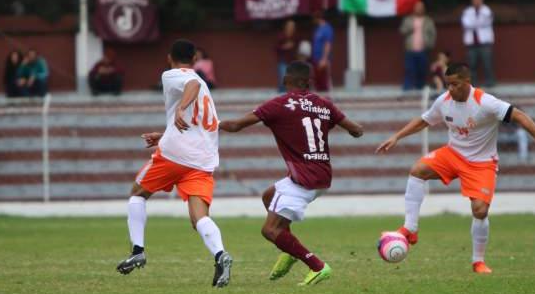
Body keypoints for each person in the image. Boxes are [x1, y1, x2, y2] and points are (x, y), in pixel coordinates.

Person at [375, 63, 535, 274]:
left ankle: (478, 261)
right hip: (453, 154)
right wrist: (397, 137)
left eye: (454, 84)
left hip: (482, 163)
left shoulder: (485, 102)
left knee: (480, 211)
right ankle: (410, 229)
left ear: (467, 82)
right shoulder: (444, 101)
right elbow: (424, 120)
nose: (450, 89)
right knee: (417, 170)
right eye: (448, 85)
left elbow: (521, 116)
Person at [219, 61, 363, 286]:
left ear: (285, 81)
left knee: (269, 230)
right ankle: (288, 250)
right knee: (268, 196)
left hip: (303, 180)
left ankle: (317, 266)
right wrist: (327, 122)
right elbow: (357, 130)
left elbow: (236, 125)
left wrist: (212, 123)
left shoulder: (279, 104)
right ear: (309, 82)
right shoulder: (324, 104)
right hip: (322, 177)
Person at [116, 40, 232, 288]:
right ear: (195, 57)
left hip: (176, 154)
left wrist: (180, 108)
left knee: (137, 193)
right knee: (199, 217)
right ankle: (221, 255)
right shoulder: (204, 84)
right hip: (203, 158)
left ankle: (137, 250)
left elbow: (188, 86)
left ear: (169, 58)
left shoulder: (173, 75)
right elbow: (197, 120)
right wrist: (164, 133)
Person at [399, 1, 437, 91]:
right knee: (409, 70)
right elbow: (402, 31)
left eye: (421, 7)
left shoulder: (428, 20)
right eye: (417, 7)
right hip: (410, 49)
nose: (419, 9)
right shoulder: (408, 20)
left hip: (423, 50)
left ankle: (419, 88)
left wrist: (430, 44)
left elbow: (433, 34)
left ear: (423, 9)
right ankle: (407, 89)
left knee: (422, 70)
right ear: (414, 9)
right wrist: (409, 29)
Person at [461, 0, 495, 87]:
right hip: (471, 43)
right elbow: (466, 24)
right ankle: (473, 84)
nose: (476, 1)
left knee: (487, 63)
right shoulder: (467, 11)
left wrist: (474, 23)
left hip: (484, 42)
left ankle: (490, 83)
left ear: (482, 0)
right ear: (472, 1)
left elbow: (486, 22)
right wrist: (477, 23)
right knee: (471, 64)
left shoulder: (486, 11)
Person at [311, 11, 334, 93]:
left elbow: (327, 44)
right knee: (317, 81)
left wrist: (324, 59)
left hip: (322, 59)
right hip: (316, 58)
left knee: (325, 81)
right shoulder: (318, 29)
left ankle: (327, 99)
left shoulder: (327, 28)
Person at [275, 20, 298, 92]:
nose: (291, 28)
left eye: (293, 26)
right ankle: (281, 95)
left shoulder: (295, 37)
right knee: (283, 78)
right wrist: (284, 47)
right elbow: (275, 48)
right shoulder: (281, 36)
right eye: (290, 26)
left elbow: (299, 47)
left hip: (293, 61)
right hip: (283, 60)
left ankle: (289, 97)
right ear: (286, 27)